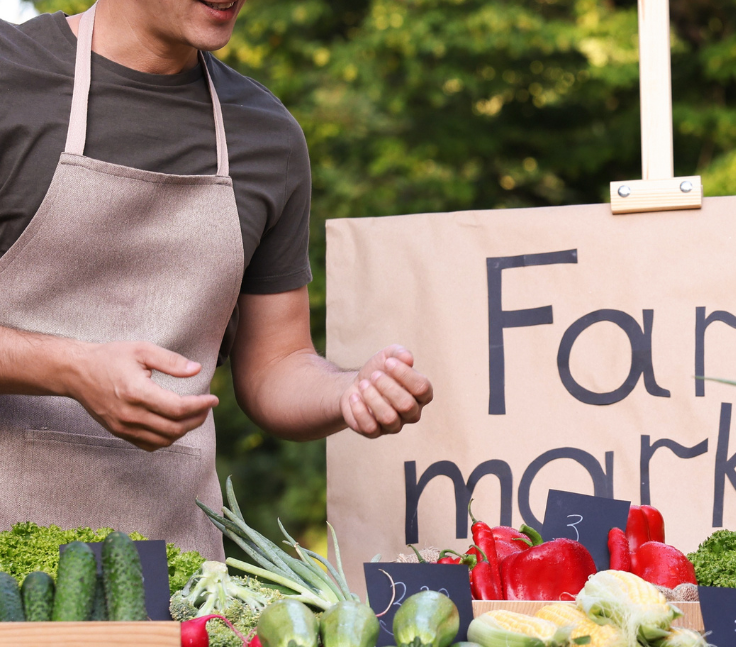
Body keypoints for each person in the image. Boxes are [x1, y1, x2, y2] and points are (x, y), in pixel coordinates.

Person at [0, 0, 433, 558]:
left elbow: (276, 365)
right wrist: (74, 370)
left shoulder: (266, 137)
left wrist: (346, 391)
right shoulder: (13, 80)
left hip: (176, 583)